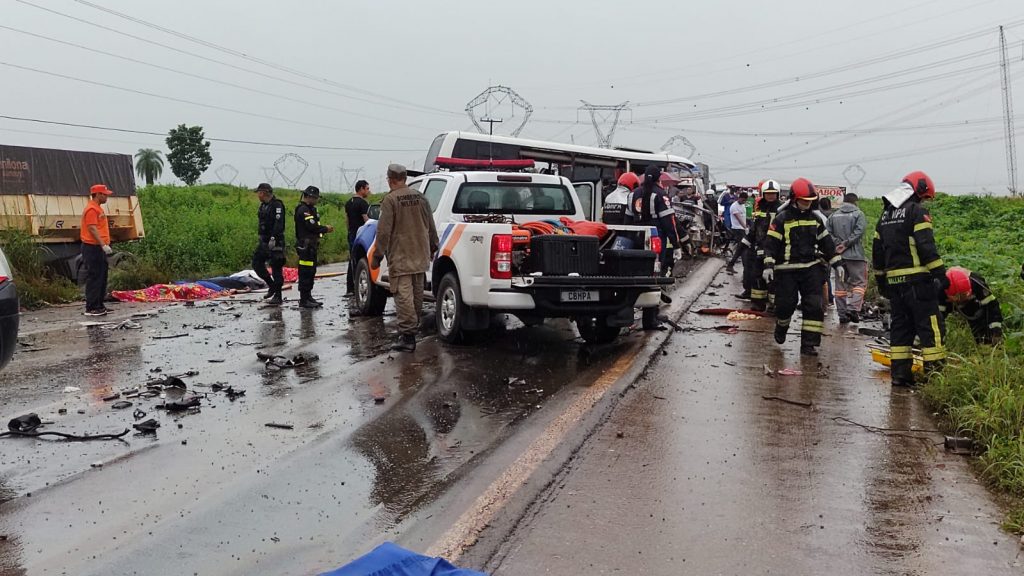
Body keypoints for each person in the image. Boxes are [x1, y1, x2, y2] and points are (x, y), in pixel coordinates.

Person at [872, 171, 947, 387]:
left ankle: (900, 376)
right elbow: (926, 247)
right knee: (930, 328)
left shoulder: (884, 216)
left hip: (895, 285)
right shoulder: (917, 212)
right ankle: (936, 379)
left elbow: (878, 254)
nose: (924, 201)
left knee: (901, 329)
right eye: (924, 197)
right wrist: (941, 276)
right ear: (919, 191)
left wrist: (881, 281)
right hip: (918, 283)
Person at [763, 178, 842, 356]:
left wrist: (837, 262)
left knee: (814, 305)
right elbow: (770, 245)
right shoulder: (781, 219)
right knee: (786, 305)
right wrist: (768, 265)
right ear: (794, 198)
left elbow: (827, 243)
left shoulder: (815, 219)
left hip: (810, 268)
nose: (807, 204)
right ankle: (781, 326)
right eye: (803, 201)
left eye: (809, 201)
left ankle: (809, 344)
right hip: (786, 270)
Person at [372, 164, 439, 352]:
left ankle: (408, 337)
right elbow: (430, 224)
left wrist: (377, 255)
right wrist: (433, 245)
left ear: (390, 179)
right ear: (405, 178)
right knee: (417, 295)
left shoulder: (390, 200)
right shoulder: (421, 197)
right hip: (420, 254)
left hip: (401, 256)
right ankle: (411, 328)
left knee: (403, 296)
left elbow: (383, 232)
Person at [626, 165, 679, 274]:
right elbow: (668, 222)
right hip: (656, 236)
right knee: (655, 267)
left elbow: (627, 221)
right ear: (658, 178)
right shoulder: (660, 194)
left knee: (638, 266)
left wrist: (628, 239)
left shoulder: (632, 194)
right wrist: (676, 245)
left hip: (637, 236)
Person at [826, 192, 868, 324]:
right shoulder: (858, 214)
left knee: (840, 286)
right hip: (856, 256)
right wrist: (847, 243)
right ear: (856, 202)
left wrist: (838, 243)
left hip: (839, 257)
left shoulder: (833, 215)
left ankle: (842, 314)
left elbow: (827, 233)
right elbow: (859, 232)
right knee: (859, 283)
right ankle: (853, 308)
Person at [294, 185, 335, 309]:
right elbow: (311, 226)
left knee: (311, 271)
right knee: (305, 272)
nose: (317, 200)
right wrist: (325, 229)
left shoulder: (311, 209)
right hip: (305, 246)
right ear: (309, 197)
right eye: (315, 198)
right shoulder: (303, 210)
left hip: (311, 245)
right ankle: (304, 299)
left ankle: (308, 296)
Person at [940, 267, 1003, 344]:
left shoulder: (977, 284)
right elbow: (937, 318)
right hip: (947, 302)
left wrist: (996, 331)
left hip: (973, 304)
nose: (963, 298)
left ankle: (985, 342)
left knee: (980, 322)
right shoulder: (940, 290)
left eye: (965, 295)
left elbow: (992, 307)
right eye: (961, 297)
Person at [747, 179, 783, 312]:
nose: (771, 196)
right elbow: (755, 229)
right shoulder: (760, 208)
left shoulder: (781, 209)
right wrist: (746, 243)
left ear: (778, 194)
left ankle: (775, 306)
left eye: (773, 193)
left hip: (775, 249)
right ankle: (758, 303)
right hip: (760, 248)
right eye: (768, 193)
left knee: (774, 279)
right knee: (757, 276)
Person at [81, 183, 114, 316]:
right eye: (105, 194)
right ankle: (92, 307)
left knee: (102, 275)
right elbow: (92, 228)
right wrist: (102, 244)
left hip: (98, 248)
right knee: (94, 276)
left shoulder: (97, 208)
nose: (107, 197)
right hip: (92, 247)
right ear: (98, 194)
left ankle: (100, 304)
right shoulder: (91, 209)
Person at [252, 183, 286, 306]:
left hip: (275, 241)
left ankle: (278, 295)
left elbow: (279, 224)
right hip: (264, 241)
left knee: (276, 267)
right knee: (256, 263)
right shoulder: (263, 206)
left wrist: (273, 238)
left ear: (264, 192)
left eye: (259, 193)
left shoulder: (277, 205)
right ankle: (271, 285)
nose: (258, 196)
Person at [345, 180, 372, 296]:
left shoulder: (348, 203)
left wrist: (349, 231)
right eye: (367, 188)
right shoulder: (363, 203)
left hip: (352, 234)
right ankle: (360, 286)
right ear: (361, 189)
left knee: (352, 260)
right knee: (363, 262)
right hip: (362, 235)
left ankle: (350, 288)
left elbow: (346, 219)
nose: (368, 191)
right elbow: (367, 220)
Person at [725, 191, 749, 282]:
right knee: (743, 249)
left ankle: (730, 265)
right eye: (743, 200)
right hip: (737, 229)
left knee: (741, 248)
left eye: (745, 201)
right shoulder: (734, 206)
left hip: (742, 229)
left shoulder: (743, 205)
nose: (744, 202)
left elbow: (744, 217)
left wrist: (747, 226)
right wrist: (745, 227)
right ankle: (744, 270)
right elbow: (738, 218)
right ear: (739, 198)